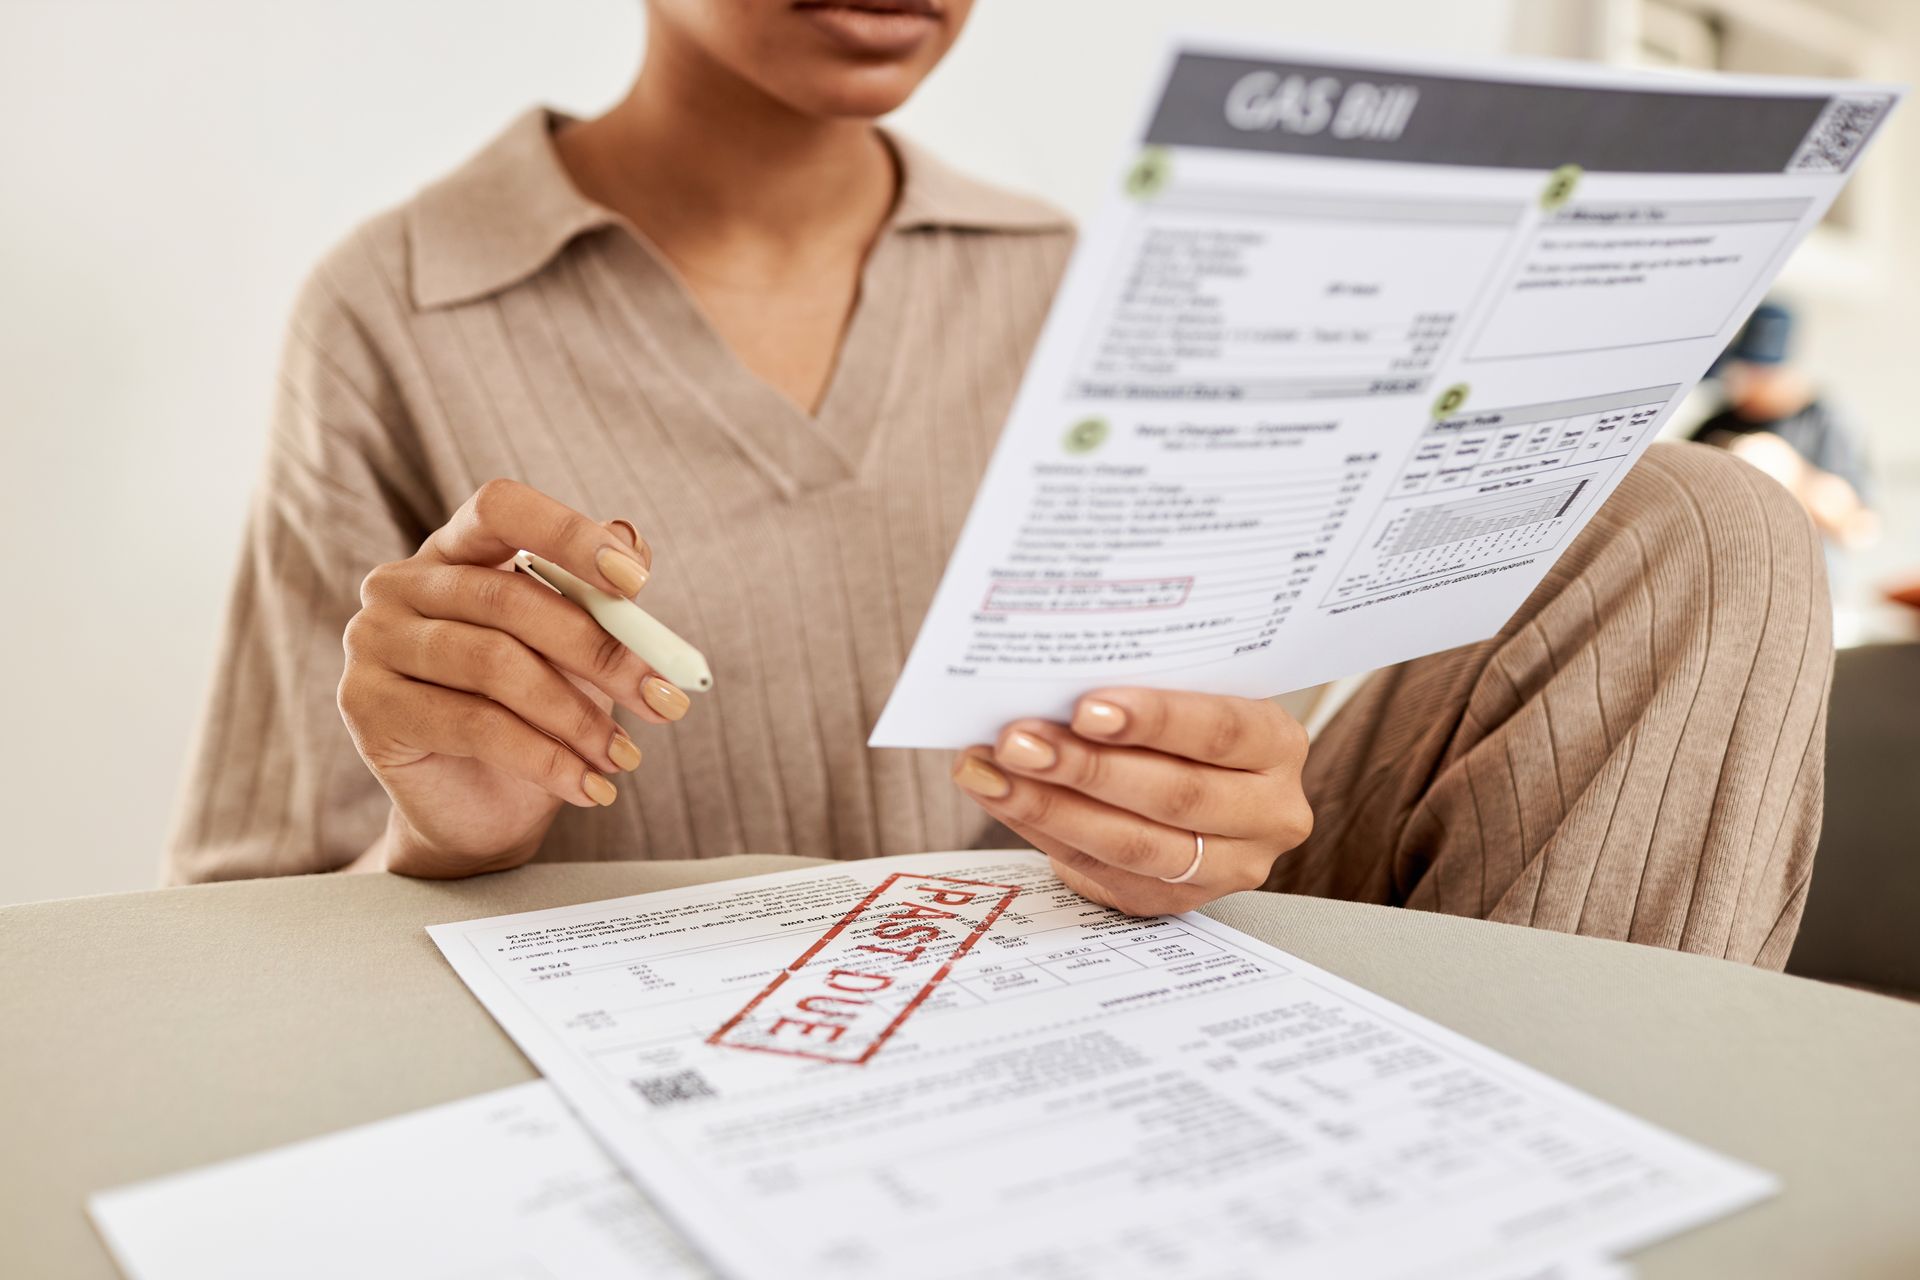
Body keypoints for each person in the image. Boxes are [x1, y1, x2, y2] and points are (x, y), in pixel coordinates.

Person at [168, 0, 1832, 969]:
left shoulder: (1090, 279)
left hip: (1106, 1010)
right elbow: (248, 931)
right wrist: (438, 835)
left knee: (1704, 524)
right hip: (663, 1080)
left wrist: (1218, 801)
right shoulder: (396, 305)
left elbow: (1234, 766)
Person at [1690, 301, 1877, 550]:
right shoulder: (1718, 422)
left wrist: (1795, 475)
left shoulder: (1825, 422)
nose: (1735, 383)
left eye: (1752, 373)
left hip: (1796, 567)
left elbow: (1860, 531)